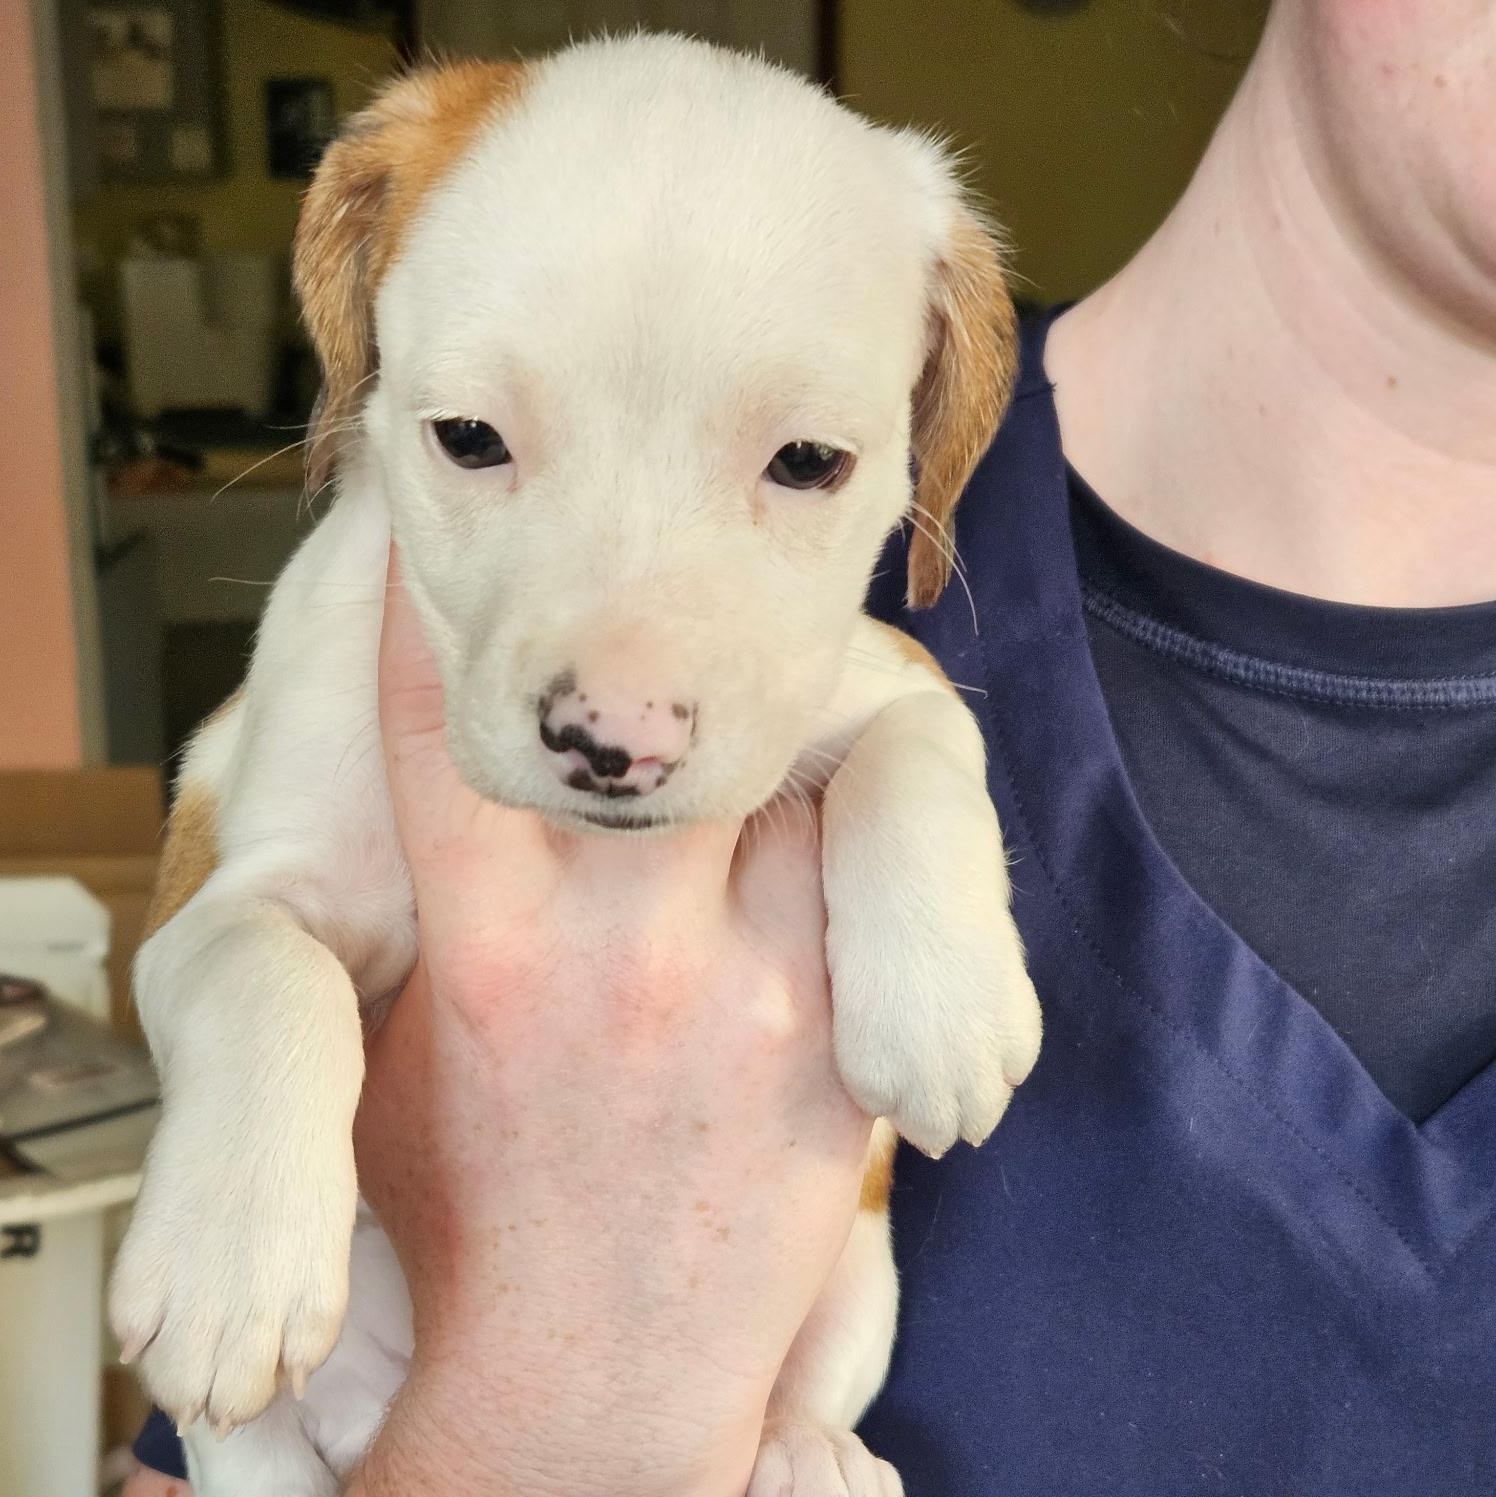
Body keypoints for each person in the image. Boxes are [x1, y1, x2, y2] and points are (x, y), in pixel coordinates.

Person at [126, 0, 1496, 1490]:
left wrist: (907, 815)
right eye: (469, 440)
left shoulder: (899, 504)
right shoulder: (369, 616)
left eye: (801, 464)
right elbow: (224, 959)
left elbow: (902, 717)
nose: (619, 719)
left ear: (934, 425)